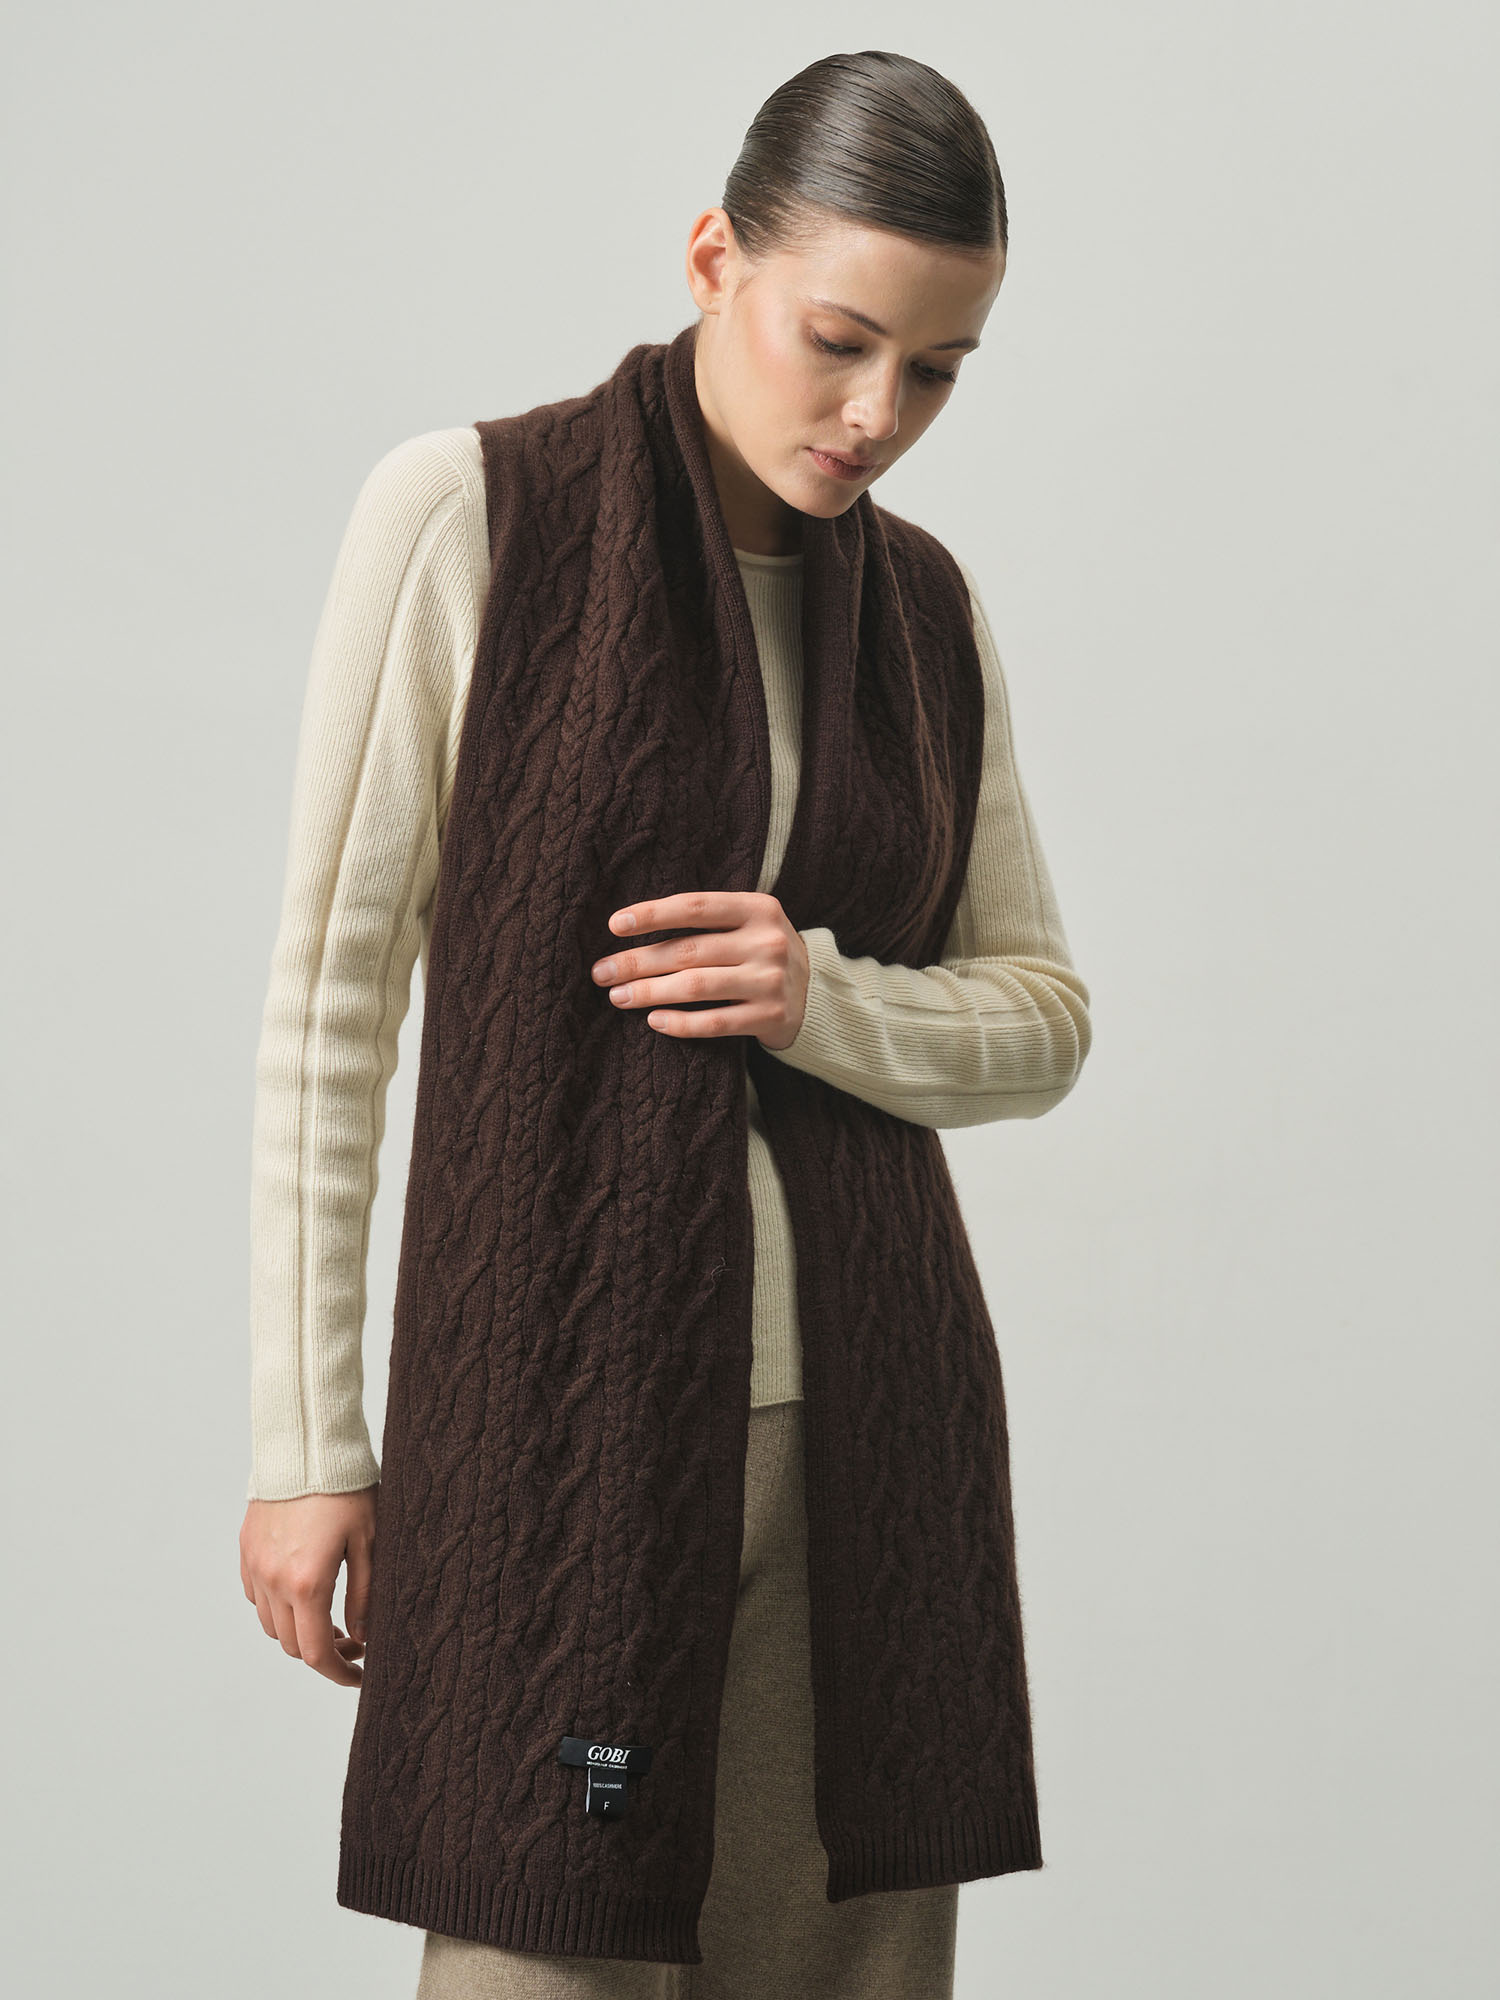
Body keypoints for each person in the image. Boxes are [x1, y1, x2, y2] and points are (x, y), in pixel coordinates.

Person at [239, 48, 1091, 2000]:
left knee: (840, 1967)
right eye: (840, 342)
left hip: (867, 1433)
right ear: (715, 259)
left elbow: (1043, 1016)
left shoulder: (925, 616)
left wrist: (821, 998)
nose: (877, 415)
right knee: (538, 1949)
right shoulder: (477, 515)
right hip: (560, 1419)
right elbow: (331, 1001)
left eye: (938, 370)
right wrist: (306, 1440)